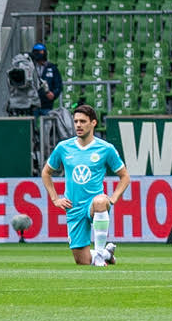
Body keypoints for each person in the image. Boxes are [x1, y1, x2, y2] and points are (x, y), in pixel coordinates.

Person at [42, 105, 128, 268]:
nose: (78, 125)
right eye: (76, 122)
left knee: (101, 202)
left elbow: (124, 177)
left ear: (93, 123)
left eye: (83, 121)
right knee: (82, 261)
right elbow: (46, 173)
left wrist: (113, 198)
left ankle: (100, 253)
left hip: (93, 203)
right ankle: (106, 253)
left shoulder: (105, 148)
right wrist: (55, 199)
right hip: (73, 207)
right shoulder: (63, 147)